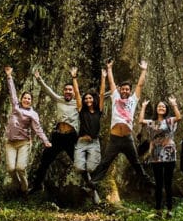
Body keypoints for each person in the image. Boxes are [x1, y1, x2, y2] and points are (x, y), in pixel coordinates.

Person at [88, 59, 154, 190]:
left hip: (127, 139)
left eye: (127, 89)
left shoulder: (133, 100)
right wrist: (110, 68)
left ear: (130, 91)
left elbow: (140, 86)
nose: (125, 91)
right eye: (123, 89)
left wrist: (144, 70)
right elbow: (111, 83)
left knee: (135, 162)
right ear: (120, 90)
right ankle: (92, 183)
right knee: (106, 162)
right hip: (115, 139)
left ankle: (147, 182)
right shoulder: (115, 98)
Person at [30, 68, 79, 193]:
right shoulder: (59, 99)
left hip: (70, 138)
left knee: (79, 163)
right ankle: (36, 187)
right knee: (44, 162)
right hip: (57, 137)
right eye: (66, 89)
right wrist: (39, 79)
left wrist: (113, 92)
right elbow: (48, 90)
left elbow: (97, 99)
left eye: (70, 90)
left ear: (74, 92)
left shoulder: (78, 103)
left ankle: (92, 189)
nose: (68, 91)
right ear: (64, 91)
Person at [4, 66, 51, 197]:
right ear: (21, 99)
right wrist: (9, 76)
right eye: (25, 98)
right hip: (10, 143)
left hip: (24, 143)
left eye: (29, 99)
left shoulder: (33, 114)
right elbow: (12, 92)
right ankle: (18, 184)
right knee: (10, 169)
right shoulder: (15, 106)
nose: (26, 100)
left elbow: (37, 129)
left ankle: (24, 189)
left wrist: (45, 141)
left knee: (20, 168)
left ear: (31, 101)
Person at [138, 96, 181, 218]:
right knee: (158, 183)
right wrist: (143, 107)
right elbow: (140, 120)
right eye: (159, 106)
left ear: (166, 109)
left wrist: (174, 104)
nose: (161, 108)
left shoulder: (170, 121)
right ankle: (158, 209)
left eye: (163, 106)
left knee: (168, 182)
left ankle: (169, 209)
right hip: (156, 155)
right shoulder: (152, 123)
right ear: (156, 109)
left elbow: (179, 117)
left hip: (169, 154)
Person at [71, 67, 106, 203]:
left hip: (94, 142)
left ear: (94, 99)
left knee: (91, 167)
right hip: (81, 142)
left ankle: (90, 187)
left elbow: (102, 94)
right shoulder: (82, 110)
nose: (87, 100)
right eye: (86, 99)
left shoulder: (99, 111)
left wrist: (103, 77)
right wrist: (74, 78)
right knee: (79, 167)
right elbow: (77, 94)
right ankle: (92, 189)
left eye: (90, 98)